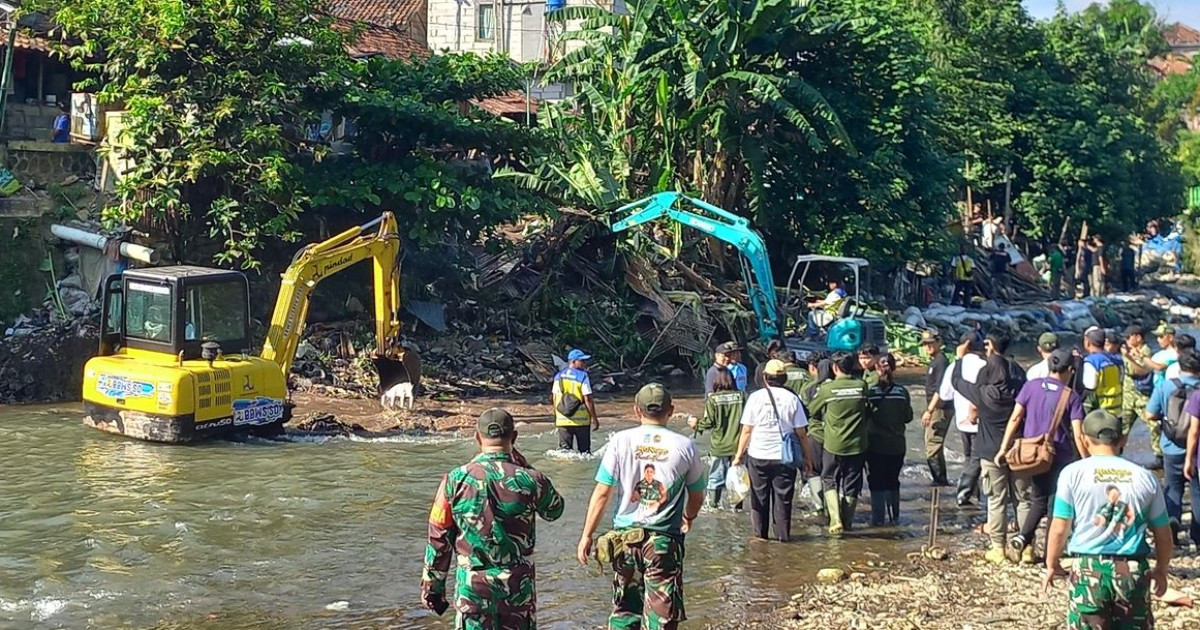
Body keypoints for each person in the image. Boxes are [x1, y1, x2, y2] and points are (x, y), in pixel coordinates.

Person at [421, 408, 565, 628]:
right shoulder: (531, 479)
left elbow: (438, 536)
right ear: (514, 438)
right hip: (517, 593)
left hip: (473, 592)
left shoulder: (454, 480)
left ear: (477, 437)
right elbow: (554, 511)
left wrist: (433, 588)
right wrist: (525, 466)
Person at [577, 383, 705, 630]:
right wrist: (689, 517)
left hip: (625, 541)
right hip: (663, 543)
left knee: (624, 610)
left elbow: (602, 492)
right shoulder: (685, 446)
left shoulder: (620, 441)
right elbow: (697, 496)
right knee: (661, 616)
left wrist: (586, 535)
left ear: (637, 410)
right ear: (671, 411)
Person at [1043, 410, 1172, 629]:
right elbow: (1162, 532)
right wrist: (1161, 568)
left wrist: (1052, 562)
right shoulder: (1144, 477)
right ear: (1122, 440)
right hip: (1131, 567)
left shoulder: (1072, 473)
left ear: (1084, 439)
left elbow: (1060, 526)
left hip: (1088, 566)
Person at [997, 349, 1085, 564]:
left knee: (1038, 499)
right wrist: (1087, 460)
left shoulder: (1031, 386)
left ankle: (1022, 537)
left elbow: (1015, 418)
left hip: (1034, 455)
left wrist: (1003, 448)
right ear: (1070, 370)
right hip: (1060, 456)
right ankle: (1050, 554)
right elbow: (1078, 434)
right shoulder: (1071, 396)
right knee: (1056, 505)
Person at [731, 360, 816, 541]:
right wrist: (808, 459)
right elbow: (802, 434)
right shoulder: (792, 398)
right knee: (783, 499)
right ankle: (783, 538)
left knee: (759, 498)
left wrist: (738, 456)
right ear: (784, 378)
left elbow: (746, 430)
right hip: (785, 457)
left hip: (758, 455)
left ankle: (760, 538)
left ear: (765, 377)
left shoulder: (755, 397)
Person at [975, 330, 1029, 564]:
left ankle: (998, 548)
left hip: (990, 450)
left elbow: (961, 384)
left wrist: (959, 359)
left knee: (996, 499)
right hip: (1019, 448)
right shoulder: (1019, 374)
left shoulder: (984, 386)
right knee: (1023, 499)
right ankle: (1027, 548)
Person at [809, 352, 870, 535]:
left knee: (829, 479)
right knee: (852, 482)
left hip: (833, 443)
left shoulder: (828, 389)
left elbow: (812, 409)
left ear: (835, 368)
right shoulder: (862, 386)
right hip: (857, 444)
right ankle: (848, 521)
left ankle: (835, 520)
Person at [928, 331, 988, 506]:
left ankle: (972, 494)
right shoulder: (985, 365)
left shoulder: (954, 366)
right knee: (976, 458)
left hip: (962, 420)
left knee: (969, 457)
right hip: (980, 419)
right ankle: (964, 493)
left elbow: (945, 394)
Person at [1148, 350, 1200, 548]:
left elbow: (1150, 413)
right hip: (1197, 450)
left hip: (1172, 446)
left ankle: (1172, 525)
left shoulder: (1166, 386)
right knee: (1197, 492)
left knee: (1173, 488)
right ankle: (1197, 536)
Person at [689, 366, 746, 508]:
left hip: (719, 446)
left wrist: (696, 424)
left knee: (715, 479)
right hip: (738, 446)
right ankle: (737, 510)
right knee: (737, 480)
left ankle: (713, 507)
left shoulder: (713, 400)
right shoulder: (743, 397)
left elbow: (709, 422)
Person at [866, 353, 912, 525]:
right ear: (894, 368)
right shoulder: (902, 392)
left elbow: (865, 415)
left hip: (875, 445)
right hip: (897, 445)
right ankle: (895, 517)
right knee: (893, 480)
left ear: (876, 369)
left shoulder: (871, 393)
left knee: (876, 481)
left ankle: (877, 519)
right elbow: (908, 417)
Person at [1121, 324, 1159, 469]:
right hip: (1128, 397)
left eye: (1128, 337)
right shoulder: (1129, 350)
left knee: (1154, 426)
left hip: (1142, 397)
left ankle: (1159, 456)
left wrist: (1128, 357)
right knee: (1123, 427)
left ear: (1138, 337)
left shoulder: (1146, 351)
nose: (1126, 340)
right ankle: (1116, 454)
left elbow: (1142, 371)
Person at [920, 330, 953, 487]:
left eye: (931, 343)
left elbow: (940, 389)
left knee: (933, 445)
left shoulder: (940, 362)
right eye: (925, 344)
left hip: (940, 408)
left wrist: (929, 410)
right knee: (933, 445)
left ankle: (940, 481)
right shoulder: (935, 361)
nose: (927, 347)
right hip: (937, 407)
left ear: (939, 342)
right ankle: (940, 479)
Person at [802, 355, 834, 513]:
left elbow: (805, 412)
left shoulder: (808, 388)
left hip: (814, 435)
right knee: (831, 474)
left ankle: (818, 506)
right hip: (834, 437)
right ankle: (833, 508)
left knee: (813, 471)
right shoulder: (836, 387)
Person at [552, 349, 599, 453]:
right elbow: (588, 399)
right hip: (581, 422)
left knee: (564, 453)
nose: (584, 364)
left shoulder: (558, 376)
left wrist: (556, 417)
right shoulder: (582, 376)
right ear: (573, 362)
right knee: (585, 453)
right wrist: (595, 419)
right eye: (582, 361)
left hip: (562, 420)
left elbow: (555, 397)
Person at [1080, 328, 1124, 424]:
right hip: (1117, 408)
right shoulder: (1115, 359)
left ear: (1087, 342)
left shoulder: (1091, 361)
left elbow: (1090, 386)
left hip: (1100, 412)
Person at [1145, 324, 1178, 389]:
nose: (1158, 340)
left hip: (1170, 389)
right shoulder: (1157, 355)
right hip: (1157, 388)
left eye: (1161, 337)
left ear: (1170, 338)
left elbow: (1159, 367)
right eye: (1157, 337)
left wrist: (1142, 356)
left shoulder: (1175, 354)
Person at [950, 243, 975, 307]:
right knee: (957, 291)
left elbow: (973, 269)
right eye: (963, 248)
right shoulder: (956, 259)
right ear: (960, 249)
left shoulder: (970, 259)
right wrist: (954, 277)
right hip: (959, 278)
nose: (964, 250)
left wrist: (972, 276)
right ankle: (954, 303)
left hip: (968, 278)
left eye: (966, 248)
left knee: (967, 293)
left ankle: (966, 304)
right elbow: (953, 268)